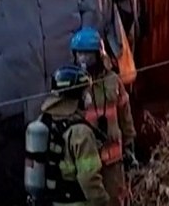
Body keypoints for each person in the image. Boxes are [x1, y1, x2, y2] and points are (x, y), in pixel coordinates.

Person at [70, 27, 137, 205]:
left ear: (99, 55)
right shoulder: (72, 86)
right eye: (79, 55)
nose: (83, 60)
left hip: (114, 160)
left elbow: (125, 113)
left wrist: (129, 142)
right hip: (87, 161)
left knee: (116, 199)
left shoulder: (113, 81)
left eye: (87, 55)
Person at [36, 64, 111, 206]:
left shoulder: (42, 122)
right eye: (84, 92)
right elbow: (89, 179)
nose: (87, 97)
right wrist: (103, 201)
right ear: (77, 96)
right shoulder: (81, 133)